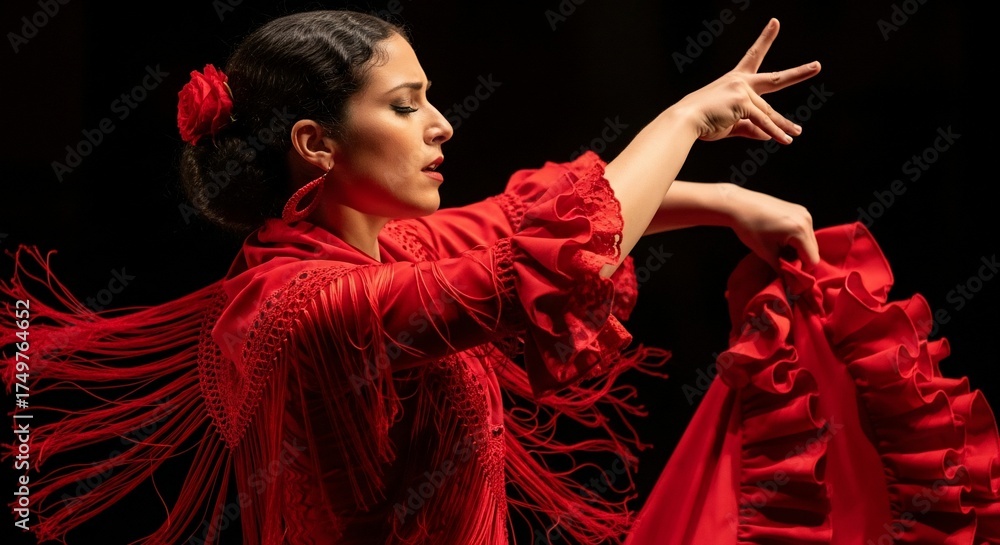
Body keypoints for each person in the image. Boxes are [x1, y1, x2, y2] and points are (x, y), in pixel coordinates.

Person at [3, 9, 997, 545]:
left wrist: (726, 201)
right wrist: (686, 118)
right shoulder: (306, 302)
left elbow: (531, 221)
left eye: (432, 97)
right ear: (315, 142)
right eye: (406, 105)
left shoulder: (381, 250)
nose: (442, 124)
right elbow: (559, 253)